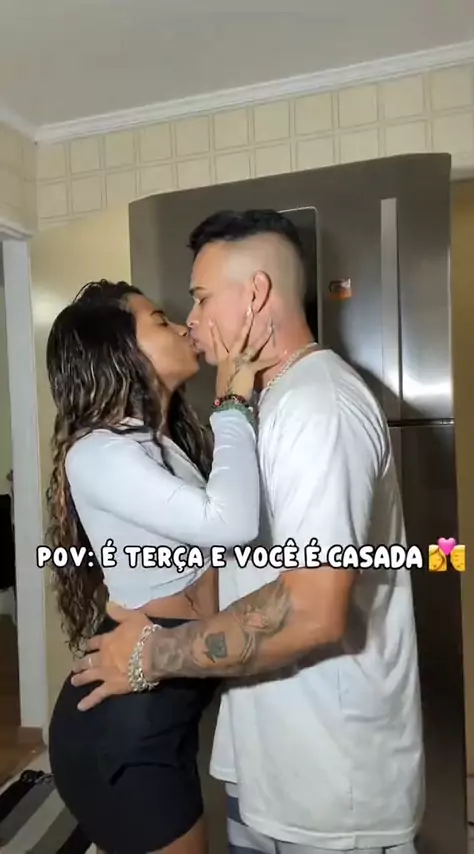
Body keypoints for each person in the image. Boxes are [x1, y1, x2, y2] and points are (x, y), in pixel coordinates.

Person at [72, 212, 424, 854]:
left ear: (256, 294)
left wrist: (151, 656)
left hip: (329, 790)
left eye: (201, 298)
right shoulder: (270, 404)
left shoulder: (317, 406)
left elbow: (311, 608)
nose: (192, 319)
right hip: (274, 766)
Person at [46, 278, 278, 854]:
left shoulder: (161, 443)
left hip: (166, 703)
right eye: (159, 320)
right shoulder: (97, 452)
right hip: (124, 725)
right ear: (119, 351)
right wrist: (232, 401)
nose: (181, 325)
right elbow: (230, 522)